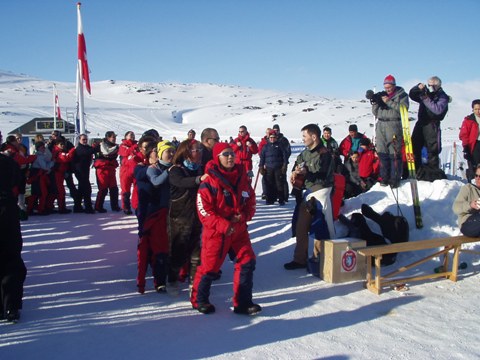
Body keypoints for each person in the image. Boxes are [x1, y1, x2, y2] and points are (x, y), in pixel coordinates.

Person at [191, 142, 260, 315]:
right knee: (209, 267)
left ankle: (242, 302)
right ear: (217, 157)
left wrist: (243, 217)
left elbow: (250, 202)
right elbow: (204, 211)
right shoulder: (209, 181)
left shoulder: (242, 177)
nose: (230, 157)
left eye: (232, 154)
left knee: (247, 261)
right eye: (225, 154)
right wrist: (224, 224)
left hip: (238, 231)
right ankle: (199, 299)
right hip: (217, 232)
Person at [284, 124, 335, 270]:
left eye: (305, 136)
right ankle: (299, 259)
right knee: (301, 226)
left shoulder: (325, 154)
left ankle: (322, 258)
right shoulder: (305, 153)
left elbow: (324, 176)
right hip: (308, 193)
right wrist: (295, 173)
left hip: (321, 192)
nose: (303, 139)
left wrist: (308, 174)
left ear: (314, 137)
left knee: (322, 226)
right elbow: (296, 165)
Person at [167, 139, 208, 294]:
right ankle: (172, 280)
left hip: (196, 216)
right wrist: (199, 179)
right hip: (179, 218)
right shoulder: (176, 169)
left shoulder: (200, 168)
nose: (199, 153)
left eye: (200, 150)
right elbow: (181, 182)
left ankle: (194, 282)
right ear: (186, 152)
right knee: (178, 251)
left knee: (196, 252)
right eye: (196, 150)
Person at [137, 140, 174, 294]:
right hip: (156, 213)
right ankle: (159, 280)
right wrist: (169, 171)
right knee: (159, 247)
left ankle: (171, 274)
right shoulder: (152, 169)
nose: (171, 154)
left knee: (172, 245)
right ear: (160, 154)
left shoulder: (174, 168)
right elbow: (156, 182)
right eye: (168, 151)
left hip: (172, 213)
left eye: (173, 151)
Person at [0, 149, 27, 322]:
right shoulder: (9, 162)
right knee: (10, 258)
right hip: (6, 209)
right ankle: (10, 306)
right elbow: (21, 183)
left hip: (6, 207)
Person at [371, 74, 409, 188]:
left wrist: (388, 101)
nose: (387, 89)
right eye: (386, 87)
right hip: (381, 124)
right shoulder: (382, 95)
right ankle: (384, 177)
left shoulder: (401, 95)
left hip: (394, 124)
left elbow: (403, 109)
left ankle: (395, 179)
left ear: (394, 85)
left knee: (394, 153)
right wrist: (375, 102)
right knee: (382, 153)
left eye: (389, 87)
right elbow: (375, 113)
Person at [409, 76, 449, 171]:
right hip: (421, 123)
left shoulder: (442, 96)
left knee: (432, 150)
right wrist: (418, 87)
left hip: (432, 125)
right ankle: (416, 170)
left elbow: (437, 110)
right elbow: (412, 95)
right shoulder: (426, 93)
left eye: (432, 85)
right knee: (415, 146)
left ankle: (433, 173)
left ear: (438, 85)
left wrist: (425, 98)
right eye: (429, 85)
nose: (430, 87)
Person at [93, 131, 121, 213]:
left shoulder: (116, 147)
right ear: (108, 138)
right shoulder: (100, 146)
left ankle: (115, 206)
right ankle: (98, 206)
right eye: (113, 137)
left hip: (111, 169)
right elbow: (92, 152)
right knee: (103, 189)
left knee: (114, 189)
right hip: (102, 169)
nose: (114, 139)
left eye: (115, 137)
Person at [259, 130, 288, 205]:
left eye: (274, 137)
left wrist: (285, 165)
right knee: (269, 184)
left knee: (279, 184)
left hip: (278, 167)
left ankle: (281, 199)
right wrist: (261, 166)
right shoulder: (266, 147)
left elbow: (285, 156)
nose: (272, 139)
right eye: (271, 137)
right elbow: (262, 157)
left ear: (276, 138)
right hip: (269, 168)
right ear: (269, 138)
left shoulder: (280, 145)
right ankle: (270, 199)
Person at [453, 164, 480, 237]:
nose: (477, 178)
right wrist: (470, 205)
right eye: (476, 175)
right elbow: (455, 208)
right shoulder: (468, 188)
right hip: (467, 223)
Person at [51, 137, 76, 214]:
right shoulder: (57, 152)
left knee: (58, 191)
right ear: (57, 144)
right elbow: (66, 158)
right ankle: (61, 208)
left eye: (63, 144)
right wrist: (74, 149)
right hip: (57, 173)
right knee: (60, 191)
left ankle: (58, 207)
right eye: (61, 144)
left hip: (60, 173)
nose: (63, 146)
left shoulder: (58, 151)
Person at [72, 134, 96, 213]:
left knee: (81, 189)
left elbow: (91, 150)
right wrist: (97, 148)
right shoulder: (79, 148)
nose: (85, 141)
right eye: (83, 139)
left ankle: (77, 206)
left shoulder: (86, 147)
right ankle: (88, 207)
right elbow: (88, 151)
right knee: (87, 189)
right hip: (79, 171)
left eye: (86, 139)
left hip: (85, 171)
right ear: (79, 140)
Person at [459, 99, 480, 181]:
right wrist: (466, 147)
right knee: (473, 167)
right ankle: (472, 184)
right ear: (473, 109)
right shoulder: (469, 120)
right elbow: (464, 135)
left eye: (479, 109)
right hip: (474, 146)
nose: (478, 111)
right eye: (476, 109)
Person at [118, 131, 137, 215]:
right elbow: (125, 152)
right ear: (126, 136)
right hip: (125, 170)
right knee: (125, 190)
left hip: (135, 169)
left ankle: (136, 205)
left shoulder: (137, 145)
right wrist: (134, 147)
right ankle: (126, 207)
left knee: (137, 189)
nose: (132, 136)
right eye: (130, 135)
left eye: (133, 135)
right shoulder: (123, 145)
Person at [272, 124, 292, 201]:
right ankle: (277, 195)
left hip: (282, 163)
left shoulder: (283, 140)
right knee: (275, 180)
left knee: (283, 179)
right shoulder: (272, 139)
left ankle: (285, 196)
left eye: (277, 130)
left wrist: (285, 161)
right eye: (274, 130)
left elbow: (288, 151)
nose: (276, 132)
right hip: (274, 163)